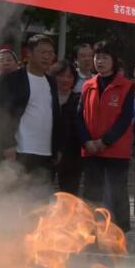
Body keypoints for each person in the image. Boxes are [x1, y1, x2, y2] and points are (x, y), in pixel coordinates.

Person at [78, 42, 135, 232]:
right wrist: (87, 141)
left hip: (115, 151)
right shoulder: (88, 85)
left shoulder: (127, 86)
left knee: (118, 192)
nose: (100, 61)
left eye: (105, 57)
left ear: (114, 61)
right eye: (97, 57)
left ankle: (121, 233)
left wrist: (104, 141)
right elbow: (80, 116)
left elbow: (125, 119)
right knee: (91, 193)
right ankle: (91, 234)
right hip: (91, 149)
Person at [0, 34, 60, 182]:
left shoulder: (51, 82)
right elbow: (1, 114)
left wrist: (57, 148)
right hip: (20, 150)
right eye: (43, 53)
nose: (47, 57)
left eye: (50, 53)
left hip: (46, 151)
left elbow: (54, 115)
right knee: (19, 198)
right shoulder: (12, 79)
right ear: (29, 53)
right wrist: (7, 144)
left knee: (41, 199)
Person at [49, 59, 83, 195]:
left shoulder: (79, 99)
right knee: (40, 192)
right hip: (47, 151)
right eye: (61, 75)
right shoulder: (46, 98)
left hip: (72, 155)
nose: (65, 79)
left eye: (69, 76)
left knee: (69, 195)